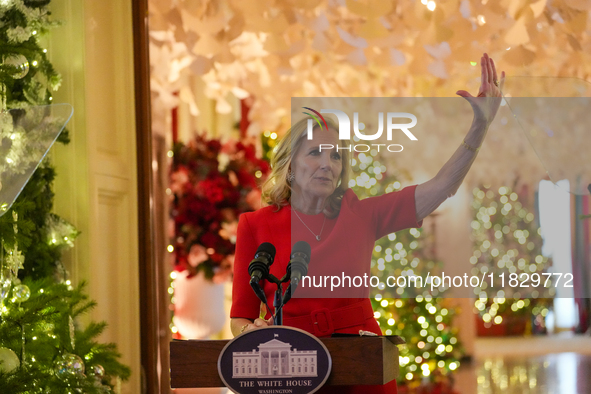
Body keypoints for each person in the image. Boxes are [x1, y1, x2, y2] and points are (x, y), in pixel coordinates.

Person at [230, 53, 504, 393]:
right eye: (315, 152)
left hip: (362, 362)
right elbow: (239, 316)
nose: (327, 163)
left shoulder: (358, 213)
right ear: (289, 165)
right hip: (292, 367)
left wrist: (480, 127)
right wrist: (250, 333)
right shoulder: (254, 225)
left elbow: (441, 186)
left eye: (335, 156)